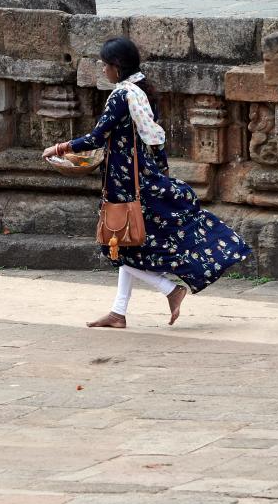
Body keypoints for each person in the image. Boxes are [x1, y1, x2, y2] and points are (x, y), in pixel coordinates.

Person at [43, 38, 252, 329]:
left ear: (117, 68)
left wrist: (60, 147)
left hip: (124, 181)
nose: (103, 71)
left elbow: (96, 138)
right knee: (128, 242)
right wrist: (161, 173)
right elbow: (155, 138)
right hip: (143, 174)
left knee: (116, 243)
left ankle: (170, 289)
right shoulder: (141, 90)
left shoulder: (120, 95)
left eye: (105, 66)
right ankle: (118, 312)